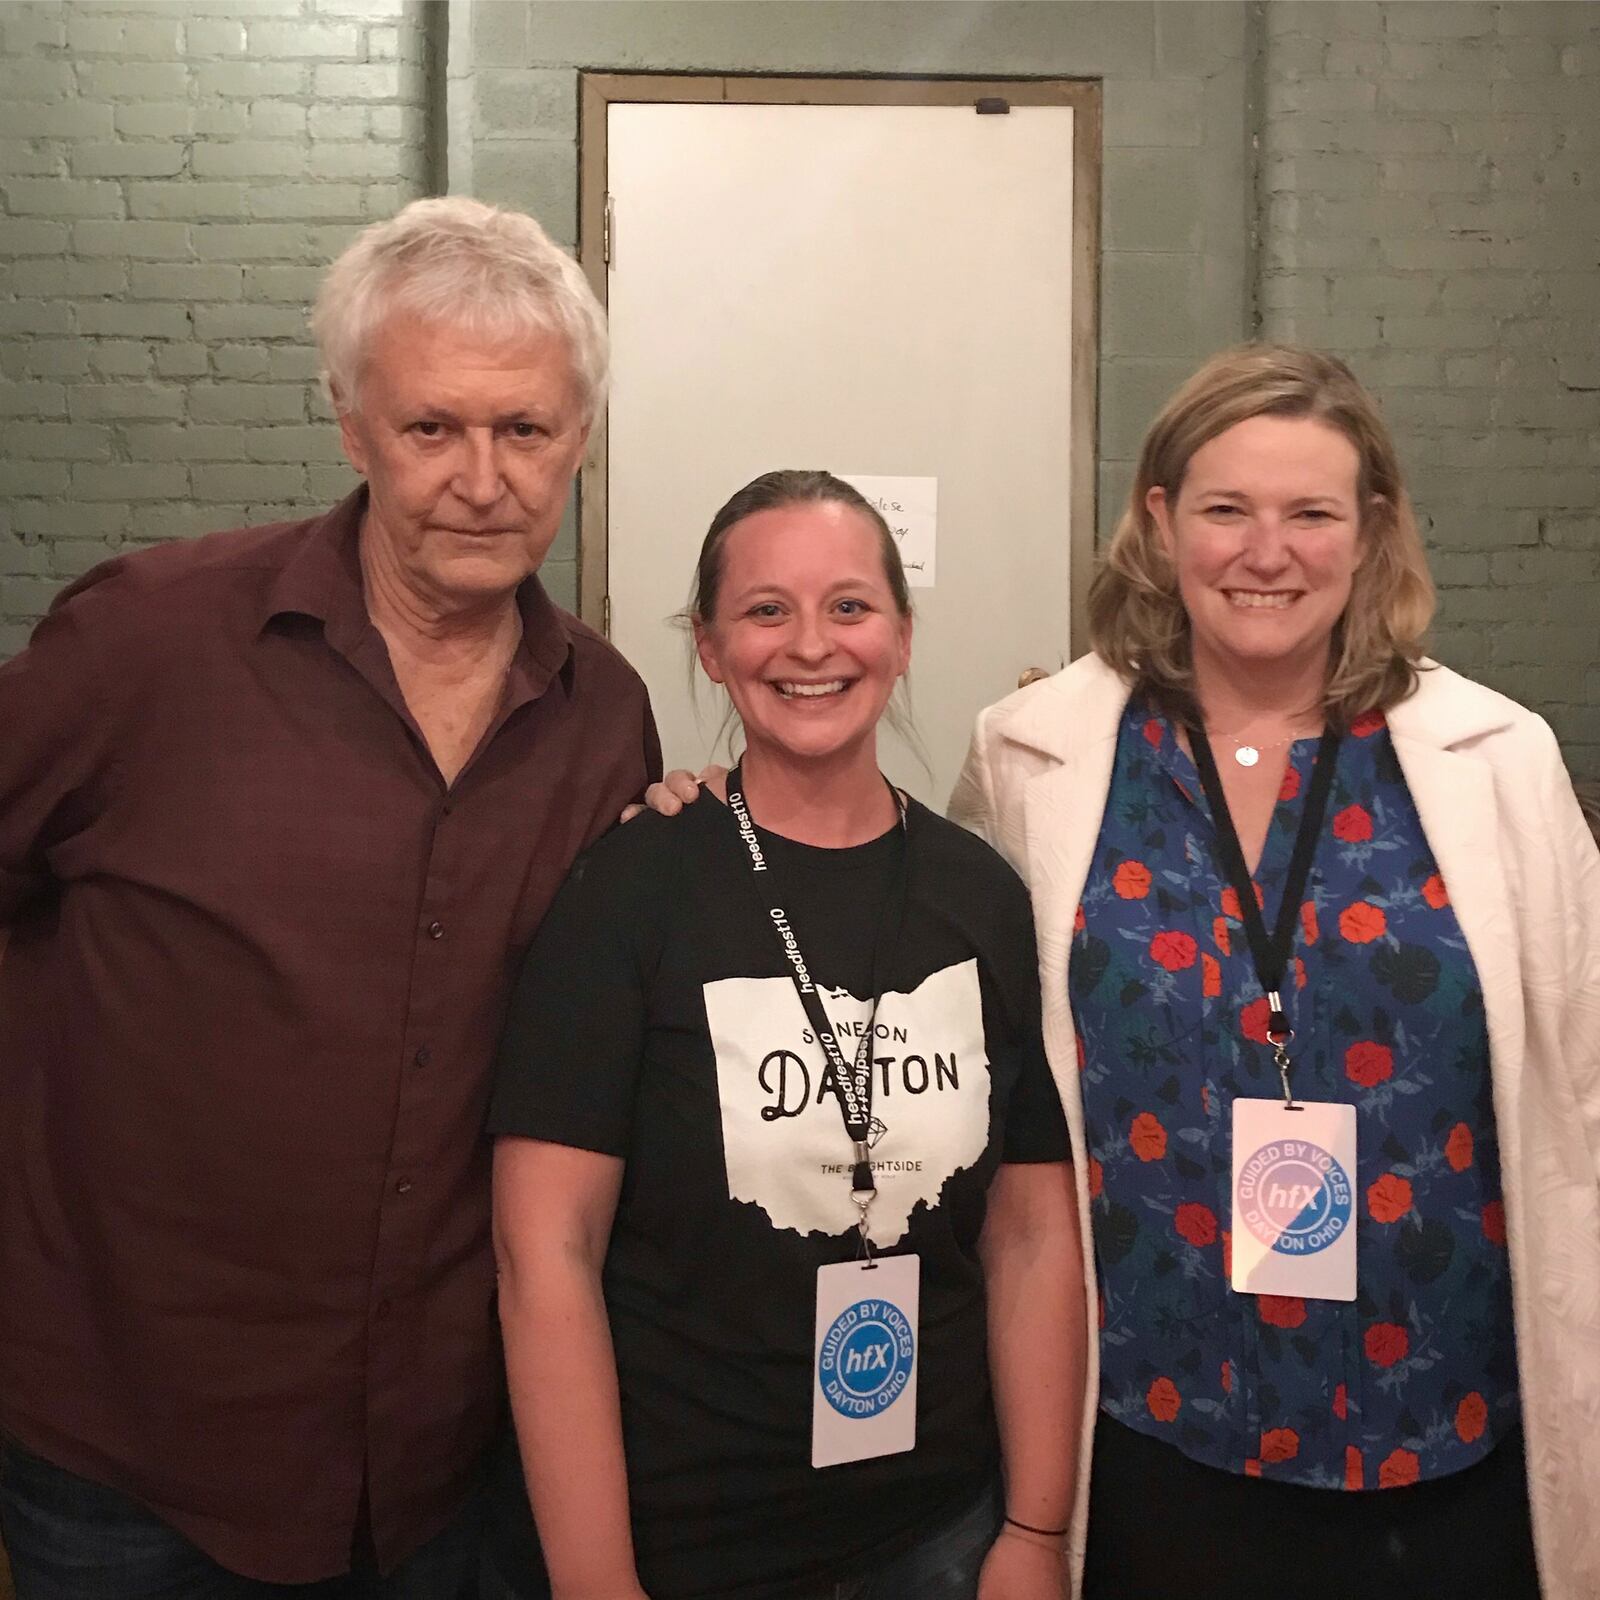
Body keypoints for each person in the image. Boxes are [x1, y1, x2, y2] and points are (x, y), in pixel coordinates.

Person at [0, 197, 660, 1597]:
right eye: (432, 428)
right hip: (132, 1451)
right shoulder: (145, 645)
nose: (482, 478)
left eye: (525, 430)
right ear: (352, 428)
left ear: (581, 440)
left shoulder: (604, 715)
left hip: (439, 1470)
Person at [949, 344, 1600, 1599]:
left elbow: (1582, 1086)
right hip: (1153, 1429)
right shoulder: (1035, 757)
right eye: (1225, 510)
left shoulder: (1497, 759)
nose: (1266, 552)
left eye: (1310, 513)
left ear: (1370, 531)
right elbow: (942, 993)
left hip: (1444, 1434)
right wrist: (728, 806)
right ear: (1158, 520)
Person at [484, 470, 1086, 1600]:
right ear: (710, 648)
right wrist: (597, 1583)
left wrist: (1037, 1530)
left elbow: (1030, 1238)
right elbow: (542, 1254)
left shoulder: (980, 895)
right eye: (766, 610)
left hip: (938, 1530)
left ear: (901, 637)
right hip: (684, 1540)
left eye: (850, 606)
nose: (811, 644)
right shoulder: (633, 887)